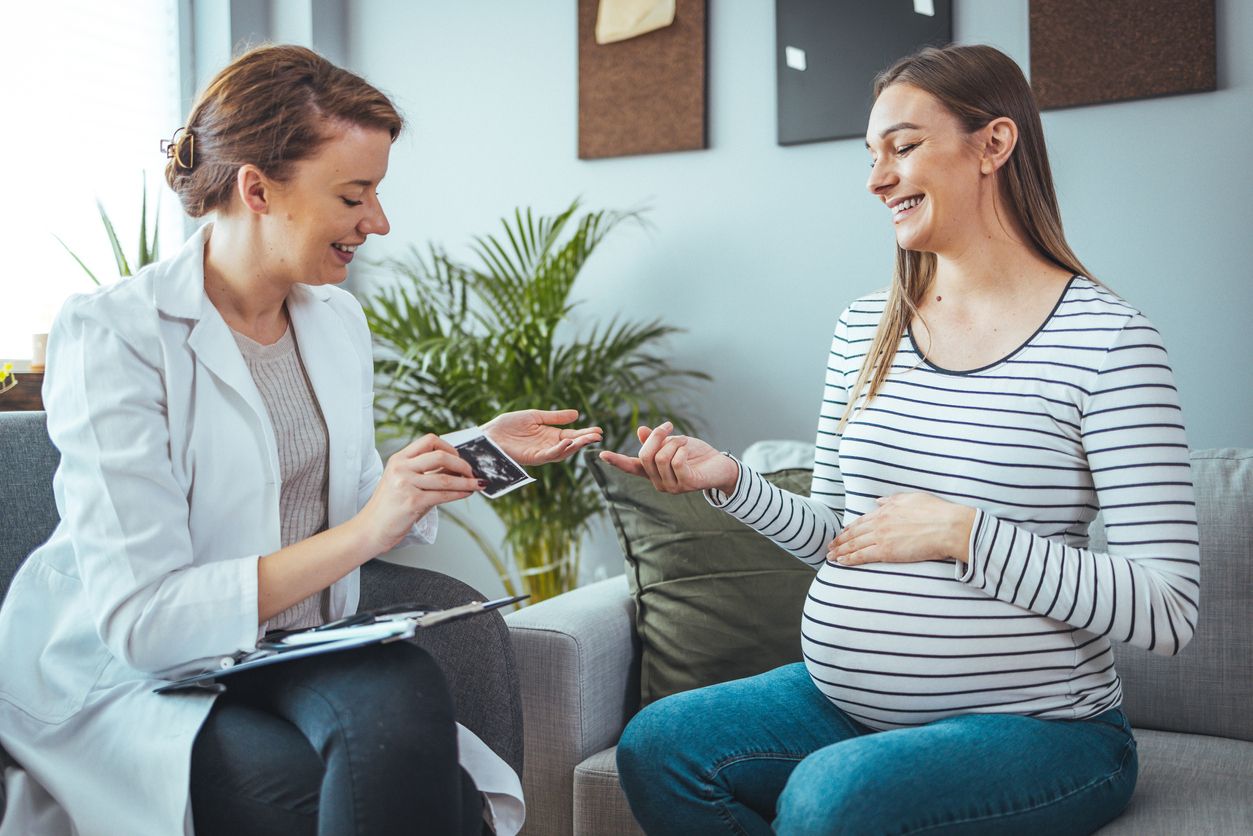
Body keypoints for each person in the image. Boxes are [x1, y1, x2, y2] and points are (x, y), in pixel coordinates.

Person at [0, 45, 601, 836]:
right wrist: (364, 531)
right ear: (256, 188)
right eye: (355, 194)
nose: (378, 222)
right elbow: (145, 621)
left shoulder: (334, 320)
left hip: (292, 645)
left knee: (406, 697)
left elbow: (345, 500)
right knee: (401, 803)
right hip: (139, 672)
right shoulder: (115, 334)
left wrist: (475, 456)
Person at [602, 43, 1198, 835]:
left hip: (1045, 732)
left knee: (832, 797)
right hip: (840, 706)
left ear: (992, 145)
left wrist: (963, 533)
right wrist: (731, 482)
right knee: (660, 744)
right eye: (870, 154)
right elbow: (844, 541)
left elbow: (1167, 608)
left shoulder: (1108, 342)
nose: (875, 178)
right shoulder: (864, 328)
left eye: (903, 146)